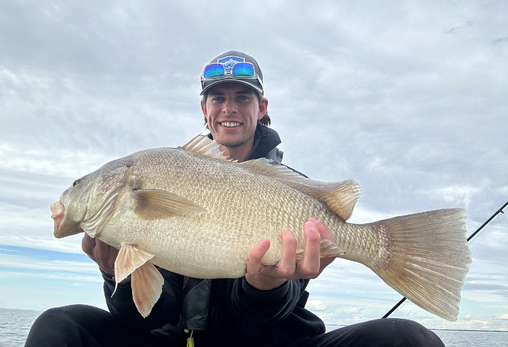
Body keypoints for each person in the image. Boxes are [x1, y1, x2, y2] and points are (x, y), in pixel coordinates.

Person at [25, 50, 445, 346]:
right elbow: (150, 316)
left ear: (261, 107)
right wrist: (112, 272)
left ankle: (386, 247)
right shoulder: (163, 178)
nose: (230, 108)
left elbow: (267, 317)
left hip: (275, 342)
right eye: (218, 97)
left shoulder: (287, 187)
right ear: (204, 109)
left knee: (407, 339)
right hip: (184, 341)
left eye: (242, 97)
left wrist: (266, 285)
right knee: (60, 326)